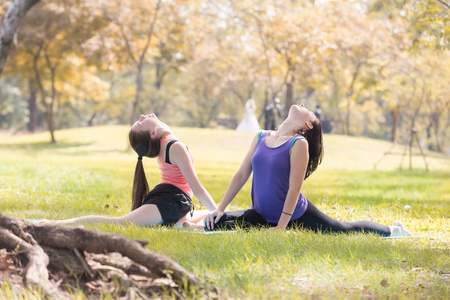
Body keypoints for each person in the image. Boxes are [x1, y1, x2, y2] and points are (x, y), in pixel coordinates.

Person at [203, 104, 410, 237]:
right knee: (216, 222)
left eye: (307, 110)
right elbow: (241, 175)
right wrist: (220, 208)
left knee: (343, 230)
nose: (302, 105)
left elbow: (295, 188)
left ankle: (393, 231)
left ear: (308, 125)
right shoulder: (260, 137)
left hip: (295, 214)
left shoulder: (298, 143)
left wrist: (281, 227)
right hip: (261, 214)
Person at [41, 113, 217, 228]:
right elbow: (198, 189)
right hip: (170, 201)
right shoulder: (173, 146)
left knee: (205, 218)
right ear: (153, 133)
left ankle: (180, 223)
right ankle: (56, 223)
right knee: (119, 223)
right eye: (141, 122)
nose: (142, 116)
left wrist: (216, 211)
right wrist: (218, 211)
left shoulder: (167, 143)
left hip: (173, 200)